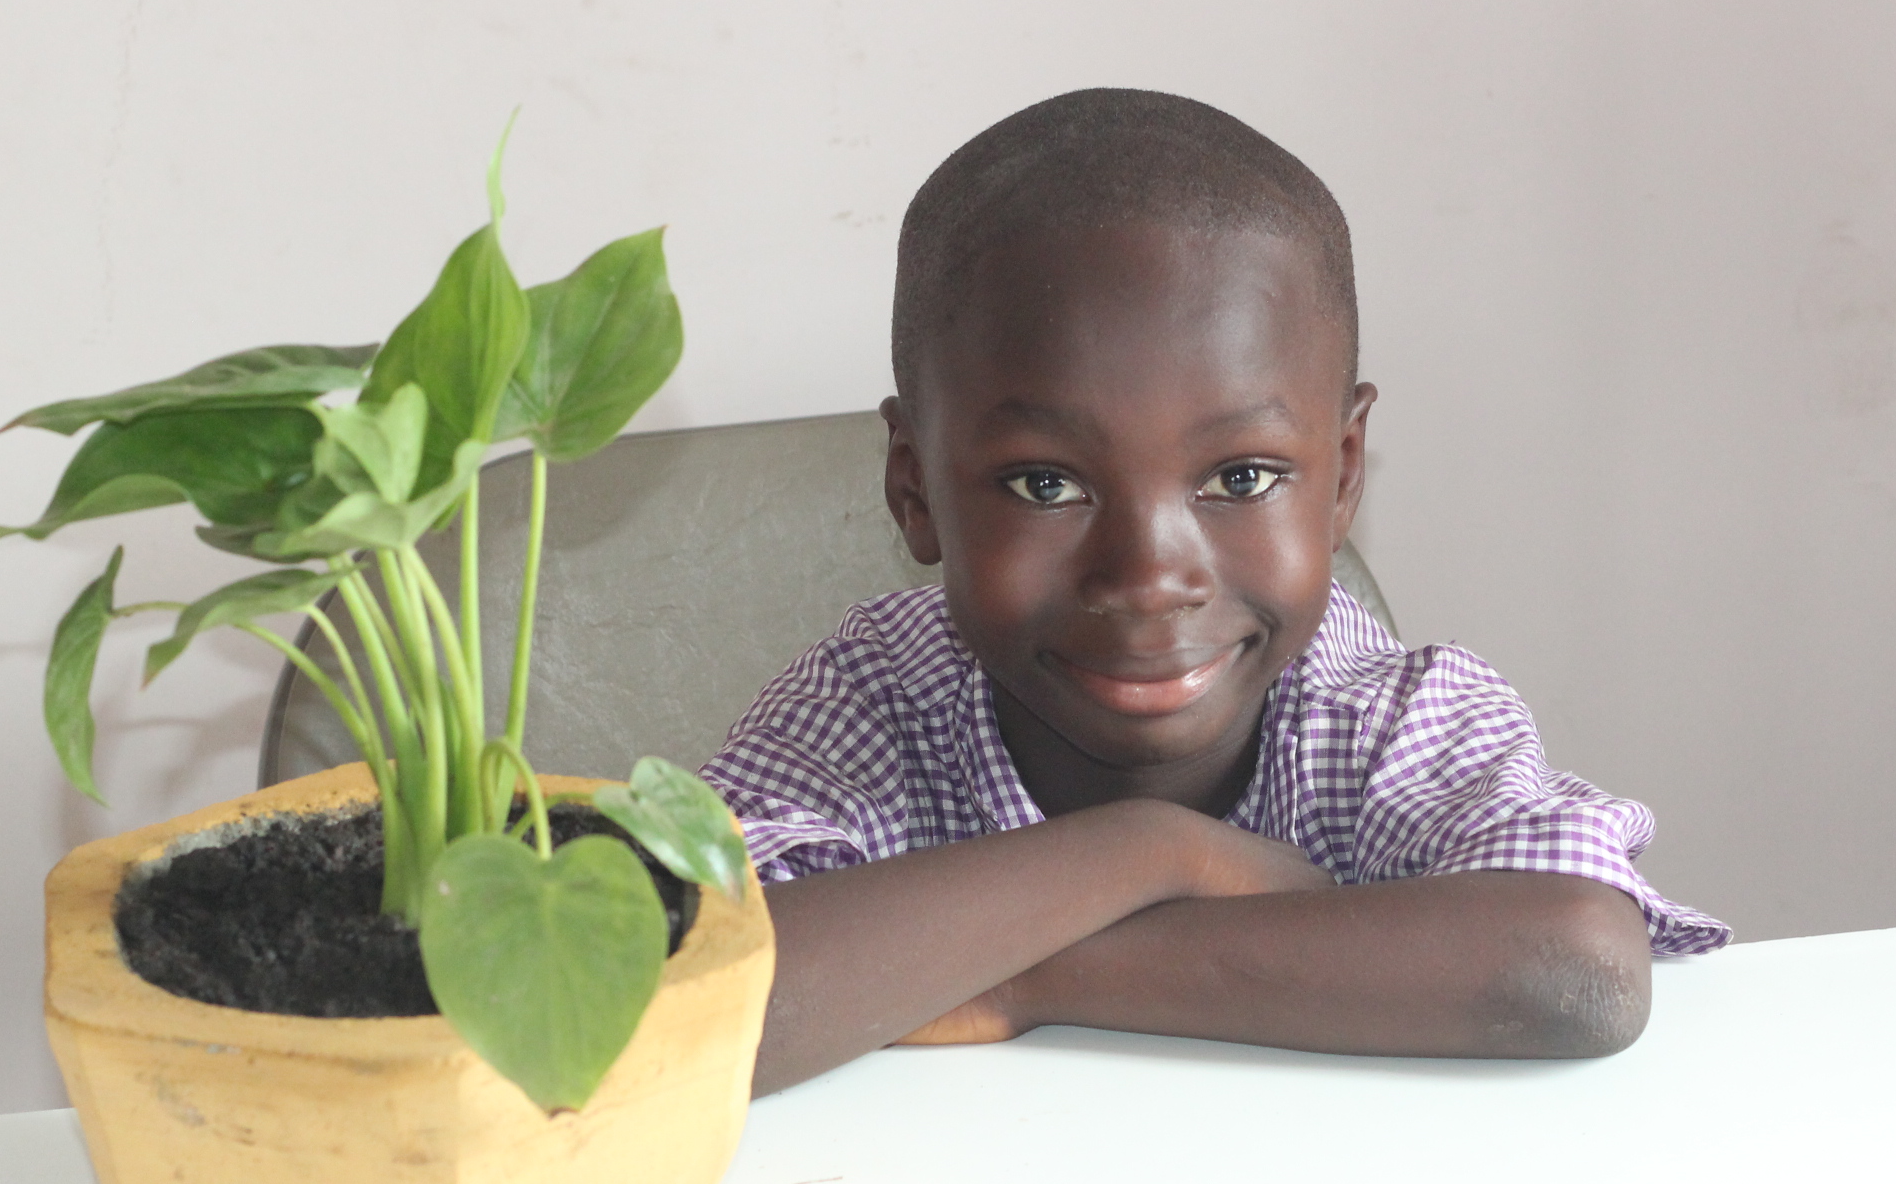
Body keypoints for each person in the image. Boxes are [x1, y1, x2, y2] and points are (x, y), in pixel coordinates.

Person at [701, 88, 1728, 1097]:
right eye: (1045, 485)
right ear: (914, 488)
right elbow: (680, 996)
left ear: (1344, 474)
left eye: (1240, 478)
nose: (1149, 581)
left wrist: (1024, 975)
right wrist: (1150, 851)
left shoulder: (1385, 716)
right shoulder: (874, 704)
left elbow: (1575, 969)